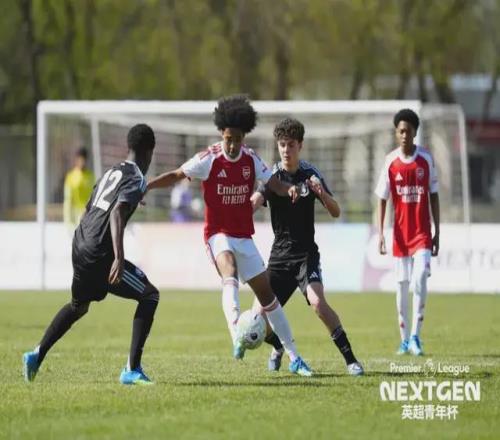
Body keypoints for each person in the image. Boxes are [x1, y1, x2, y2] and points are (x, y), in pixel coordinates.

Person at [147, 95, 312, 376]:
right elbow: (176, 175)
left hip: (243, 236)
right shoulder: (208, 159)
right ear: (221, 134)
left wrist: (290, 189)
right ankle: (237, 332)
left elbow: (274, 184)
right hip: (217, 234)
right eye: (228, 139)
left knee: (268, 297)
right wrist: (146, 187)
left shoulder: (251, 159)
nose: (232, 145)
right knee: (230, 270)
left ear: (244, 136)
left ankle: (295, 358)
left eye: (237, 139)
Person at [23, 124, 159, 385]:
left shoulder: (111, 172)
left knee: (78, 306)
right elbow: (117, 212)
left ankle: (36, 354)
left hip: (80, 243)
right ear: (149, 152)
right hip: (100, 253)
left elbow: (90, 209)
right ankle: (132, 369)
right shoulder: (136, 176)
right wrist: (118, 257)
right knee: (150, 295)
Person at [251, 118, 364, 376]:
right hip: (279, 259)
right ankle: (279, 346)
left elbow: (335, 211)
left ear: (300, 146)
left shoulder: (310, 173)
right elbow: (255, 200)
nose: (286, 150)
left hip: (305, 256)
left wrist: (321, 193)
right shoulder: (271, 177)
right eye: (282, 145)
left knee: (318, 303)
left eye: (291, 145)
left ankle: (351, 360)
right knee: (256, 320)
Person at [375, 109, 440, 356]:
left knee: (420, 275)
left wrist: (437, 231)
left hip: (422, 233)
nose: (404, 135)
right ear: (396, 133)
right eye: (400, 131)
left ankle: (415, 336)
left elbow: (434, 195)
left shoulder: (426, 159)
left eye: (408, 131)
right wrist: (381, 233)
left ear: (415, 133)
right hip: (400, 235)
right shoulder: (390, 161)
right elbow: (382, 198)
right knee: (401, 286)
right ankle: (404, 340)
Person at [63, 147, 95, 228]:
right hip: (75, 216)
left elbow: (94, 196)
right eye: (79, 159)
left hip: (88, 215)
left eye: (83, 160)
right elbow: (68, 199)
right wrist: (68, 219)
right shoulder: (71, 176)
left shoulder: (91, 176)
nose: (81, 162)